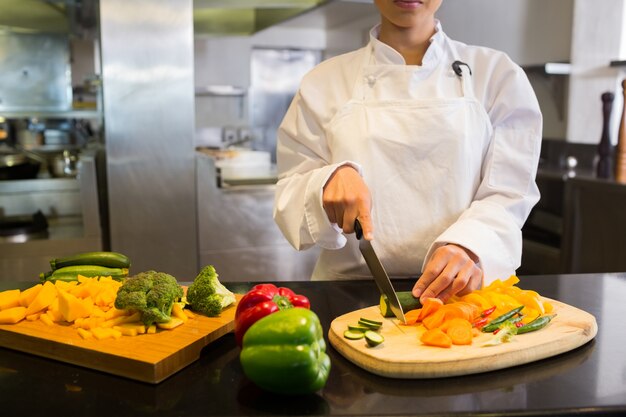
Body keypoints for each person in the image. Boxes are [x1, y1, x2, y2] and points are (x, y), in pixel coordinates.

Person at [273, 0, 542, 303]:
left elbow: (509, 192)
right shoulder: (323, 82)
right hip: (346, 294)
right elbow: (290, 191)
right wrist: (325, 183)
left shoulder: (497, 75)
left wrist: (470, 245)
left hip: (461, 294)